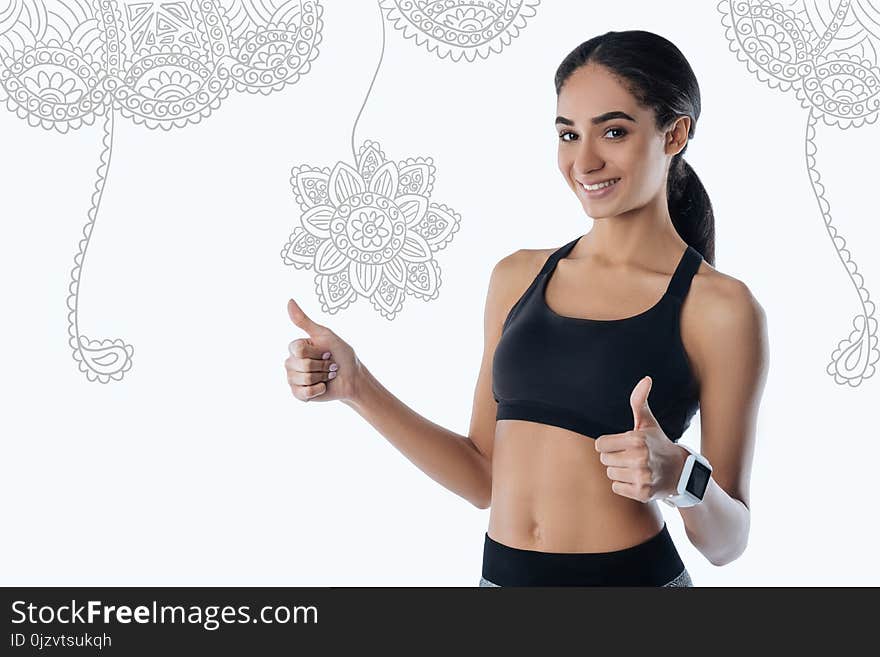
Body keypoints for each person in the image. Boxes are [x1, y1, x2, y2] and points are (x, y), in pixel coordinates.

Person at [283, 30, 768, 587]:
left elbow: (730, 543)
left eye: (613, 131)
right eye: (568, 134)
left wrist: (683, 476)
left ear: (674, 134)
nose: (584, 161)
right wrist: (356, 387)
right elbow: (481, 476)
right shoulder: (517, 277)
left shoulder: (722, 309)